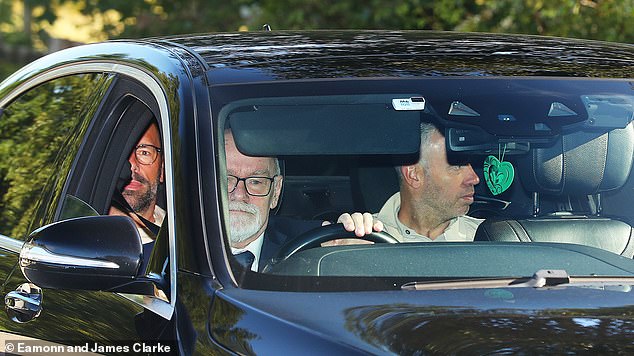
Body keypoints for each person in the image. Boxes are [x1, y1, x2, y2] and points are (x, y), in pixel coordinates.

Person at [225, 129, 382, 271]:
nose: (239, 194)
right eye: (225, 179)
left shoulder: (313, 244)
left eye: (256, 181)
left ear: (276, 192)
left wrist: (352, 243)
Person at [376, 122, 483, 242]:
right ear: (414, 175)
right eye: (457, 165)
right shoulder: (366, 237)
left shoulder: (490, 238)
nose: (475, 179)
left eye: (470, 164)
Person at [109, 121, 165, 244]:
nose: (132, 164)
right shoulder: (89, 238)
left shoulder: (182, 238)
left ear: (162, 171)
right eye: (123, 152)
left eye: (144, 152)